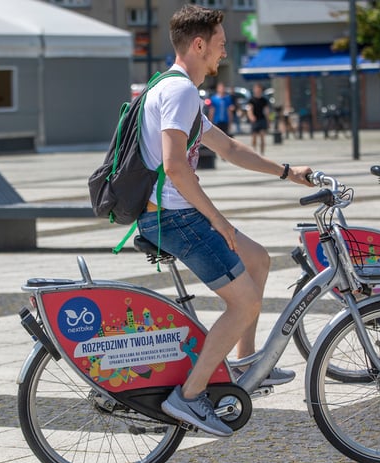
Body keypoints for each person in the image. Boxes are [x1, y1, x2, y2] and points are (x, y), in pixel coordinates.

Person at [137, 4, 312, 437]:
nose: (223, 54)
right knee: (246, 302)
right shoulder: (179, 92)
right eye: (219, 45)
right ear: (198, 44)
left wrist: (288, 173)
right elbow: (177, 167)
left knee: (258, 261)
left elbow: (230, 149)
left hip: (175, 212)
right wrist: (221, 223)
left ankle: (247, 365)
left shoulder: (173, 88)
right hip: (173, 217)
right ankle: (189, 397)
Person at [246, 83, 269, 154]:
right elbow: (249, 109)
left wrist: (268, 120)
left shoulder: (264, 100)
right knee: (254, 137)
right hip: (255, 120)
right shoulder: (251, 100)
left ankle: (262, 153)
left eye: (259, 89)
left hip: (262, 119)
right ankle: (254, 151)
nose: (257, 90)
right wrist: (251, 117)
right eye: (256, 89)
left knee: (262, 137)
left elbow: (266, 110)